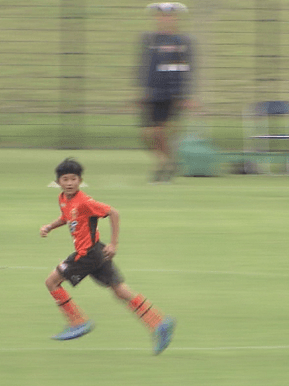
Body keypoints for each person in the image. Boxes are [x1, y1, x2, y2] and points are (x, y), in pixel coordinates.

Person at [40, 158, 176, 354]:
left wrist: (114, 243)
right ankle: (160, 323)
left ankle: (78, 321)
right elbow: (66, 217)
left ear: (80, 181)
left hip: (87, 254)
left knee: (52, 282)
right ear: (58, 182)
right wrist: (50, 227)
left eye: (73, 179)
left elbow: (113, 213)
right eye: (65, 179)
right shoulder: (63, 199)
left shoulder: (84, 202)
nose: (69, 183)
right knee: (120, 291)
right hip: (97, 252)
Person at [137, 2, 194, 182]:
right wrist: (141, 91)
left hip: (170, 95)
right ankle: (169, 162)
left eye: (169, 16)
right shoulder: (149, 40)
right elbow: (144, 67)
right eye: (162, 16)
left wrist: (185, 95)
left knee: (159, 132)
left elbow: (186, 69)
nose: (165, 20)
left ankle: (163, 166)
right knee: (146, 135)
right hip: (151, 94)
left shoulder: (181, 42)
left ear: (175, 19)